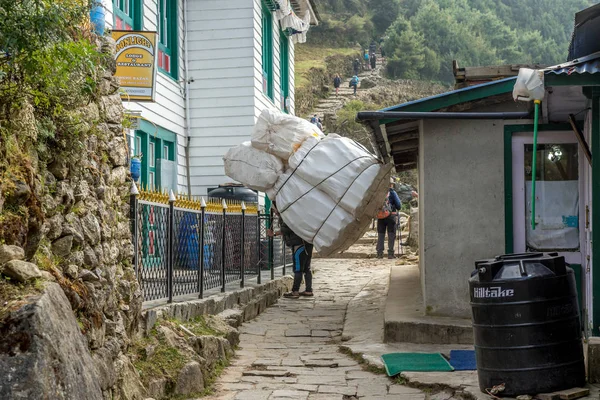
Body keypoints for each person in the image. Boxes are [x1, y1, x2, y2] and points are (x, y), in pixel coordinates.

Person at [267, 203, 313, 298]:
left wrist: (274, 234)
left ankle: (295, 291)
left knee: (298, 269)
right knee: (306, 268)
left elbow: (286, 229)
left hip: (299, 244)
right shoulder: (296, 212)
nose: (274, 212)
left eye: (274, 209)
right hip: (307, 243)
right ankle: (308, 290)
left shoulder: (287, 215)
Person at [376, 179, 402, 259]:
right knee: (391, 235)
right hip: (391, 216)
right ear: (390, 184)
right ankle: (390, 254)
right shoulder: (392, 193)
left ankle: (379, 253)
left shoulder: (378, 192)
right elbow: (399, 206)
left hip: (380, 217)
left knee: (381, 235)